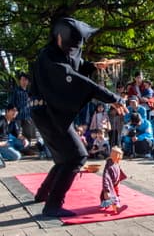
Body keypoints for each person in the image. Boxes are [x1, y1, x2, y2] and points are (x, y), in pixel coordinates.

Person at [30, 17, 127, 217]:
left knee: (64, 157)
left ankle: (43, 194)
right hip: (47, 113)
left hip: (47, 113)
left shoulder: (58, 53)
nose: (73, 49)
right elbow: (74, 78)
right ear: (58, 37)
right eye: (70, 44)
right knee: (77, 155)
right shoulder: (49, 58)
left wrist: (94, 66)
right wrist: (111, 98)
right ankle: (52, 205)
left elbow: (77, 64)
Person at [100, 146, 127, 213]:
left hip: (114, 185)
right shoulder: (109, 164)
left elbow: (118, 172)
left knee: (110, 198)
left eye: (117, 154)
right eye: (112, 153)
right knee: (111, 196)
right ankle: (117, 208)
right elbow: (106, 176)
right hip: (109, 185)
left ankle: (105, 204)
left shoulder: (116, 163)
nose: (113, 155)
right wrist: (106, 188)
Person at [9, 73, 35, 143]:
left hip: (27, 116)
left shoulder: (29, 92)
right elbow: (11, 102)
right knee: (17, 134)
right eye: (22, 80)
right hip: (18, 117)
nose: (24, 81)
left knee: (31, 133)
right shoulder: (15, 91)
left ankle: (32, 148)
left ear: (28, 82)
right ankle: (19, 148)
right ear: (19, 81)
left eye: (26, 80)